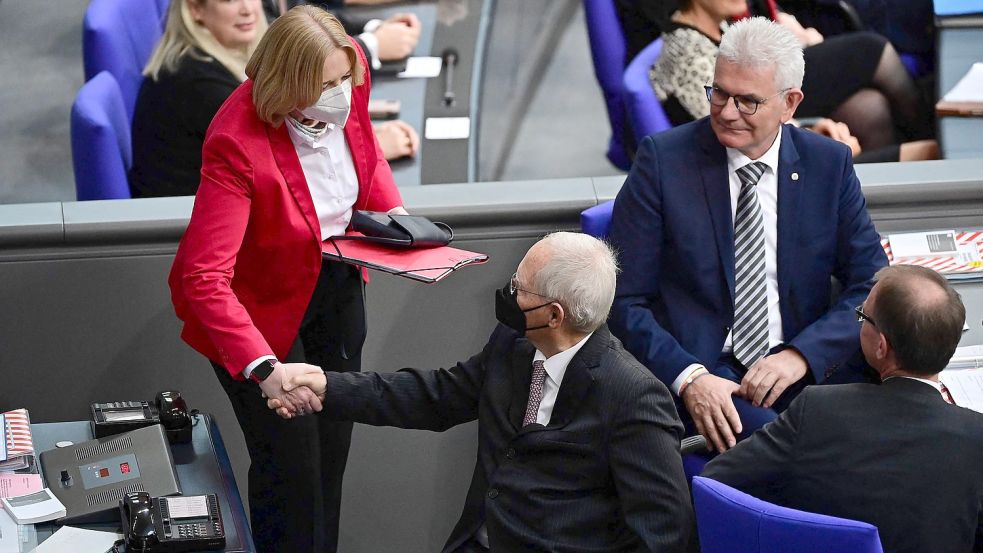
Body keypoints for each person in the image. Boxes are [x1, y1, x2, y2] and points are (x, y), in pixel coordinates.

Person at [269, 232, 696, 553]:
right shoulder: (512, 344)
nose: (507, 293)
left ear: (553, 314)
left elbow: (664, 535)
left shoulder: (634, 396)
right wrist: (329, 386)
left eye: (518, 289)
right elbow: (434, 396)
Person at [168, 6, 404, 552]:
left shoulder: (349, 77)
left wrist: (399, 225)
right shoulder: (236, 140)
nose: (342, 93)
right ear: (288, 82)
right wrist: (263, 367)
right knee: (292, 471)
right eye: (326, 84)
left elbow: (367, 157)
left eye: (346, 79)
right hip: (257, 312)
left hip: (335, 279)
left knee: (331, 457)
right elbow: (205, 278)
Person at [608, 17, 888, 454]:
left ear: (790, 104)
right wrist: (690, 378)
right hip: (713, 376)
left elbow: (872, 284)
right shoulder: (663, 163)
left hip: (806, 367)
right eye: (719, 92)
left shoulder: (827, 165)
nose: (725, 111)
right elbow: (623, 300)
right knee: (797, 454)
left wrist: (801, 356)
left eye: (748, 101)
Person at [702, 265, 983, 553]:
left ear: (881, 347)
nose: (859, 323)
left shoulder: (817, 410)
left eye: (862, 317)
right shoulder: (977, 437)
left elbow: (715, 484)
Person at [129, 0, 419, 198]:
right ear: (195, 9)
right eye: (229, 0)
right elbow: (280, 160)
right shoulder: (192, 81)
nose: (247, 9)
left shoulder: (223, 54)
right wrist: (370, 147)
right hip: (176, 232)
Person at [648, 0, 935, 157]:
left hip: (785, 143)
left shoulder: (719, 27)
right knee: (930, 149)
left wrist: (811, 127)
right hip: (768, 172)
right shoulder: (687, 55)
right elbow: (739, 141)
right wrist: (813, 142)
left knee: (869, 107)